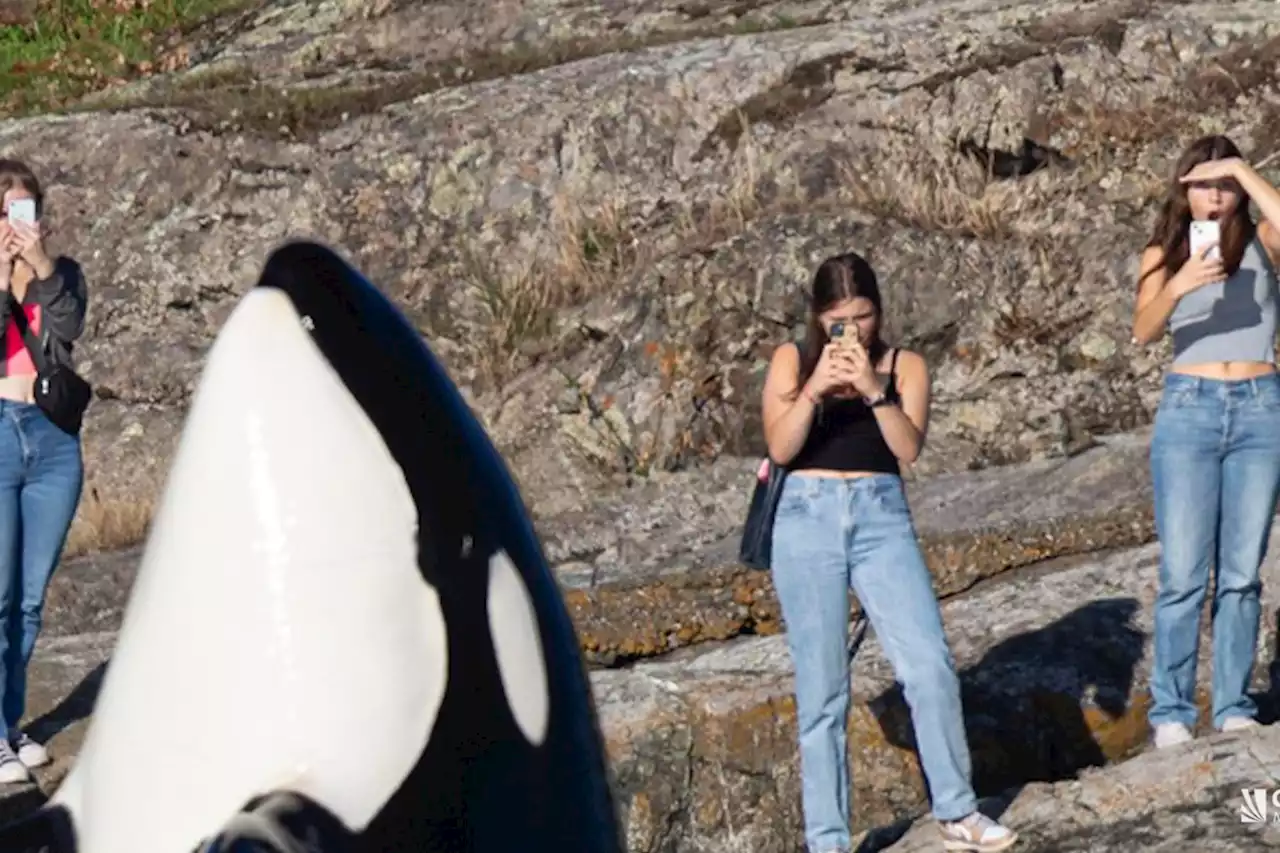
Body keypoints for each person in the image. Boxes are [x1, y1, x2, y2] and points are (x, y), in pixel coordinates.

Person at [760, 252, 1017, 852]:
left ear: (879, 310)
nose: (852, 329)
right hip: (806, 515)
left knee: (928, 665)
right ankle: (827, 841)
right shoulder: (792, 361)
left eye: (864, 314)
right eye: (837, 318)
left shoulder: (906, 366)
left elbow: (908, 449)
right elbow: (779, 445)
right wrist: (816, 389)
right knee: (823, 689)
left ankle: (958, 808)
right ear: (818, 317)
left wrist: (875, 390)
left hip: (880, 514)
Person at [1131, 135, 1280, 749]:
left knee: (1242, 573)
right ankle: (1170, 710)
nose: (1213, 195)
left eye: (1222, 184)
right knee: (1183, 573)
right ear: (1182, 188)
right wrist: (1181, 282)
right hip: (1189, 409)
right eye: (1202, 182)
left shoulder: (1265, 241)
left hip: (1260, 408)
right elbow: (1142, 330)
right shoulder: (1162, 252)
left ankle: (1232, 705)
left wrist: (1245, 172)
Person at [0, 159, 87, 784]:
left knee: (29, 600)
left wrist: (42, 268)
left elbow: (69, 329)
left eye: (22, 210)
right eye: (4, 211)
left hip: (53, 441)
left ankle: (8, 725)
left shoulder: (62, 275)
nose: (13, 223)